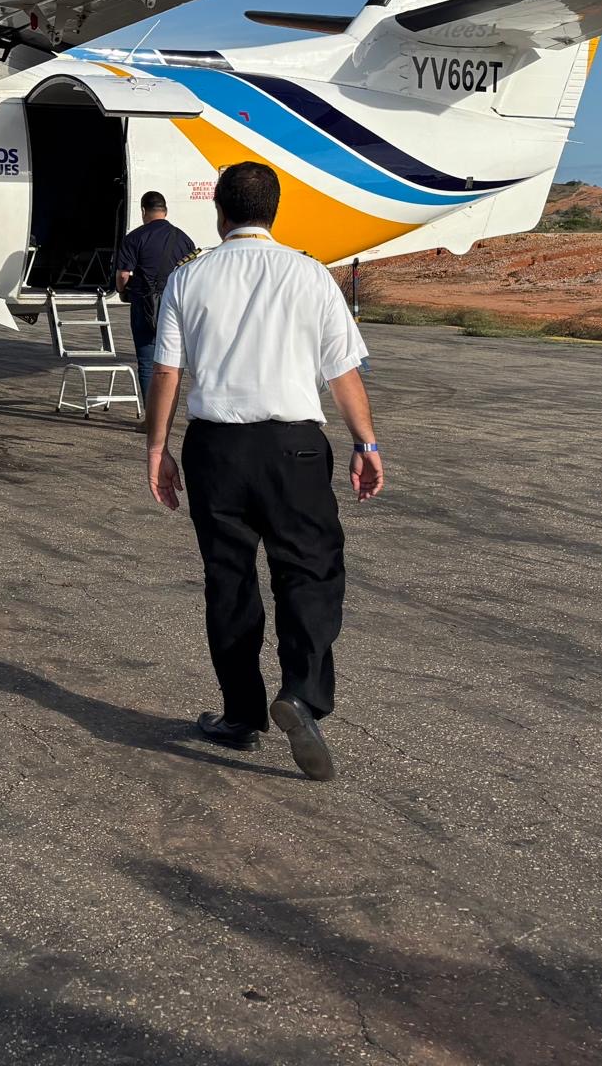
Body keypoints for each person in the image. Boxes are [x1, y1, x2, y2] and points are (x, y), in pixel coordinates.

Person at [142, 161, 384, 780]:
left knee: (229, 580)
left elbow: (166, 371)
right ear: (275, 211)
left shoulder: (187, 278)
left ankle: (240, 715)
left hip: (215, 449)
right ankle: (301, 694)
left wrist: (157, 449)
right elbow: (342, 373)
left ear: (219, 210)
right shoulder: (311, 276)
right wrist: (367, 444)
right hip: (294, 448)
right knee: (310, 570)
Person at [113, 189, 197, 404]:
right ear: (165, 211)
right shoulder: (184, 239)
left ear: (143, 211)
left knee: (147, 362)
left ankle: (151, 418)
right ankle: (165, 414)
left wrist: (123, 291)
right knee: (172, 363)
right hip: (175, 306)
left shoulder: (135, 238)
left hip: (144, 304)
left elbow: (123, 275)